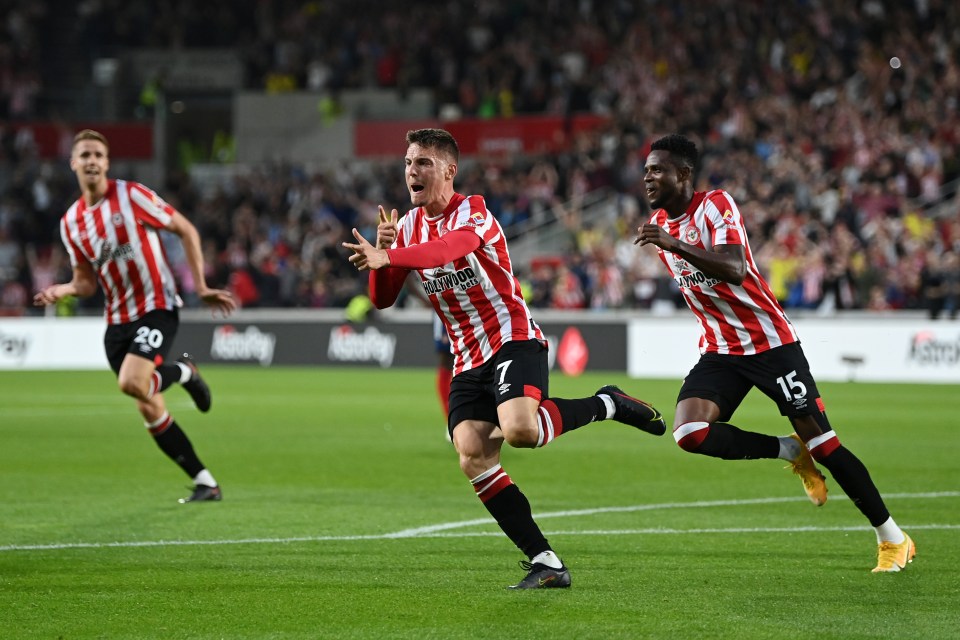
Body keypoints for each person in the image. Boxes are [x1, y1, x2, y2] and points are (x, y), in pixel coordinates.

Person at [343, 128, 666, 589]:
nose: (412, 171)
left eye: (423, 163)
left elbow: (449, 248)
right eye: (409, 162)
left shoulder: (473, 214)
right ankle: (546, 562)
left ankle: (607, 403)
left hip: (511, 338)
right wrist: (385, 254)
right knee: (472, 454)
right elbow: (383, 299)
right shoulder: (407, 228)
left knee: (519, 431)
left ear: (449, 170)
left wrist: (394, 254)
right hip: (465, 356)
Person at [635, 133, 915, 573]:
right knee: (689, 433)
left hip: (770, 344)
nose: (647, 176)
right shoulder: (658, 223)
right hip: (721, 350)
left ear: (683, 174)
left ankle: (893, 538)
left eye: (657, 169)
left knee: (826, 443)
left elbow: (734, 268)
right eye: (646, 169)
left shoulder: (715, 205)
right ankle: (788, 450)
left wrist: (674, 245)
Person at [33, 129, 237, 504]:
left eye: (98, 154)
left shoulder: (130, 195)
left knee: (132, 382)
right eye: (85, 154)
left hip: (157, 307)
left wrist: (202, 286)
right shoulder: (71, 223)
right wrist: (61, 289)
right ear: (73, 163)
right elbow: (85, 283)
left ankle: (186, 372)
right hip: (117, 322)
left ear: (107, 162)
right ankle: (206, 482)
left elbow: (185, 228)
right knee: (149, 406)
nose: (92, 160)